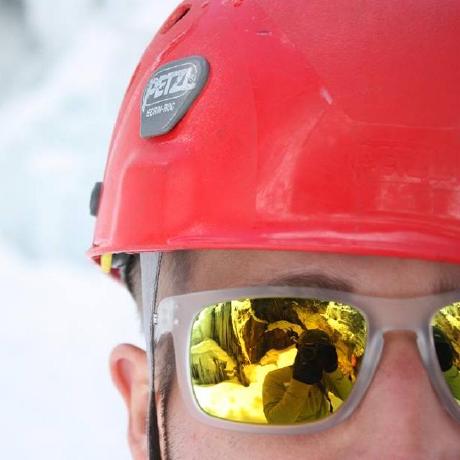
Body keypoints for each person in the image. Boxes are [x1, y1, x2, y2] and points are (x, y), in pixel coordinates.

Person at [88, 0, 460, 458]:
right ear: (146, 419)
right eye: (308, 332)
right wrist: (304, 379)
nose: (402, 446)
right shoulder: (286, 383)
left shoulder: (338, 374)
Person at [263, 329, 352, 424]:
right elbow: (276, 422)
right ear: (298, 348)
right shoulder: (275, 377)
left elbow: (351, 397)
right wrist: (300, 381)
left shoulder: (324, 374)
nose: (315, 354)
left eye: (321, 351)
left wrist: (333, 369)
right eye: (309, 349)